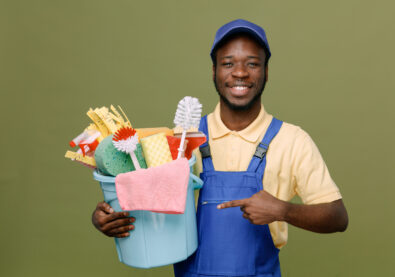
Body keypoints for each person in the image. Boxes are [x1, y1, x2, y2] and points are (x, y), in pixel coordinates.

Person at [91, 19, 348, 276]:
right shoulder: (182, 142)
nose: (240, 73)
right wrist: (107, 216)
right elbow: (146, 201)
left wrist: (283, 210)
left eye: (252, 64)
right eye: (228, 63)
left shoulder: (292, 140)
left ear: (266, 72)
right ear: (213, 71)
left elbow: (337, 217)